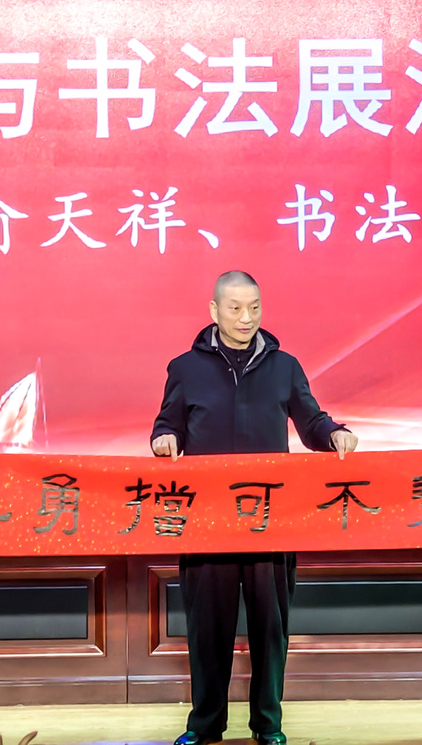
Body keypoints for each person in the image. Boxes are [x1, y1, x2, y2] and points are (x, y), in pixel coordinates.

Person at [151, 270, 357, 745]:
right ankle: (205, 725)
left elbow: (311, 421)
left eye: (255, 307)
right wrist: (164, 439)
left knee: (270, 627)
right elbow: (168, 424)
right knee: (207, 629)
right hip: (208, 521)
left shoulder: (284, 366)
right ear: (214, 310)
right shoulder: (185, 368)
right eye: (236, 308)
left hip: (270, 519)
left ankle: (268, 724)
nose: (247, 317)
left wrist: (334, 434)